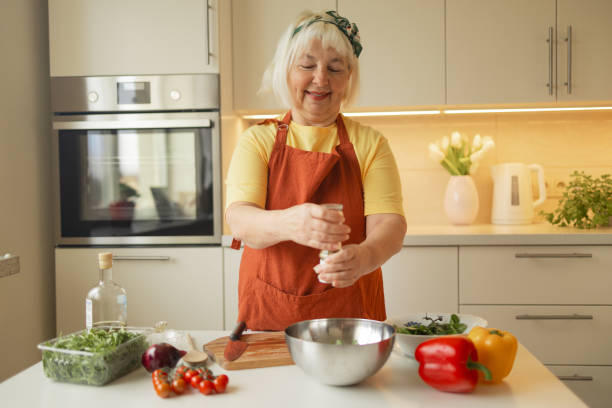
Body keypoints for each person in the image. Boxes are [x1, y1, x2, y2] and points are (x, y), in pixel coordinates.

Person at [225, 10, 407, 331]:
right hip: (270, 314)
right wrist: (290, 223)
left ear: (348, 77)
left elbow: (390, 226)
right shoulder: (257, 140)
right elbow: (240, 220)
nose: (320, 79)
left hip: (351, 315)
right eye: (307, 66)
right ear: (287, 72)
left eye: (334, 67)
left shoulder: (371, 144)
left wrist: (364, 257)